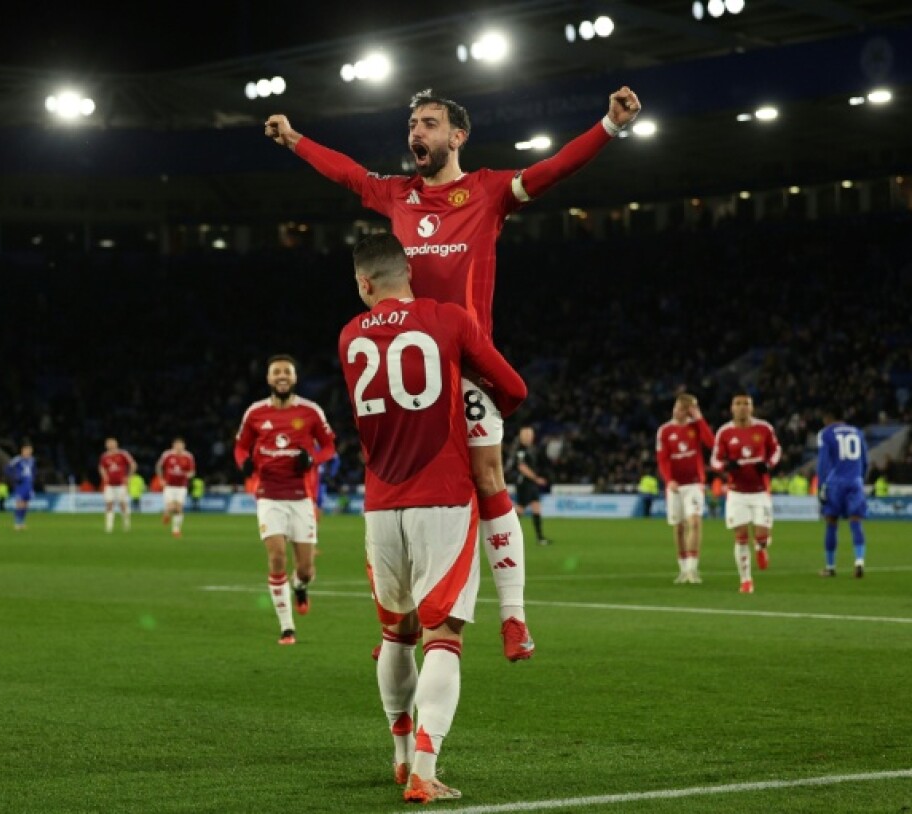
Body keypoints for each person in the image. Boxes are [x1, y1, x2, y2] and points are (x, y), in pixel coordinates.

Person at [266, 84, 640, 658]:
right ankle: (400, 623)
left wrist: (609, 125)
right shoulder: (395, 196)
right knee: (402, 489)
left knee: (488, 479)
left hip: (466, 369)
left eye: (430, 123)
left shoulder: (488, 192)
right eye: (413, 124)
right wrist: (294, 140)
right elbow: (345, 173)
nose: (417, 132)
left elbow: (554, 169)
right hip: (407, 375)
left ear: (457, 136)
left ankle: (513, 618)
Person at [339, 233, 529, 803]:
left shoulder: (349, 335)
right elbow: (514, 387)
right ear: (410, 275)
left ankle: (399, 754)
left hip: (380, 504)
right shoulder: (446, 319)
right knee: (443, 637)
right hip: (442, 500)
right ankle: (425, 769)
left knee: (395, 635)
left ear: (365, 284)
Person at [234, 354, 337, 645]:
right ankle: (287, 627)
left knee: (305, 568)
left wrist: (313, 458)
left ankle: (301, 586)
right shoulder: (255, 413)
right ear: (268, 378)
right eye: (276, 372)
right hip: (268, 496)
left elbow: (330, 445)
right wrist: (243, 462)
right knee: (277, 556)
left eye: (287, 372)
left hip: (300, 498)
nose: (281, 376)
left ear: (294, 378)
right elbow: (240, 447)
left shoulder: (310, 411)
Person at [711, 393, 780, 593]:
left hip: (760, 492)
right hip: (736, 492)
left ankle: (761, 547)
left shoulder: (764, 428)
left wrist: (768, 465)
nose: (742, 407)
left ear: (752, 408)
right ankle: (746, 580)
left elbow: (776, 450)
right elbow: (715, 459)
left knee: (761, 536)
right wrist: (725, 466)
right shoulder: (724, 432)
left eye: (746, 404)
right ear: (732, 408)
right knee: (740, 536)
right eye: (738, 403)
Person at [655, 393, 715, 584]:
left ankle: (692, 568)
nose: (678, 412)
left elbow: (711, 443)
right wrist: (668, 479)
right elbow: (662, 459)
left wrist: (699, 418)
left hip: (695, 483)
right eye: (677, 407)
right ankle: (682, 568)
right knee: (679, 527)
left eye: (684, 409)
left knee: (695, 523)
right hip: (675, 486)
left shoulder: (695, 427)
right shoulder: (664, 431)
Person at [816, 410, 869, 578]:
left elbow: (823, 461)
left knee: (831, 522)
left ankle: (830, 567)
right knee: (856, 522)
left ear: (827, 418)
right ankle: (859, 561)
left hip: (835, 483)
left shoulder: (826, 433)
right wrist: (860, 478)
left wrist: (821, 486)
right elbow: (865, 461)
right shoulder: (857, 432)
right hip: (855, 481)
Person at [509, 426, 551, 546]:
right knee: (520, 510)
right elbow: (522, 467)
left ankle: (540, 538)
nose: (529, 437)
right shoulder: (520, 450)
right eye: (527, 435)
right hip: (524, 483)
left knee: (536, 507)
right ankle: (508, 533)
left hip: (531, 483)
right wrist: (536, 478)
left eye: (530, 435)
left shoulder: (531, 449)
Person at [156, 438, 196, 537]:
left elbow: (192, 471)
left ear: (184, 446)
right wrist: (161, 479)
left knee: (179, 508)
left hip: (182, 486)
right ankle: (166, 514)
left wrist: (189, 475)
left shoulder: (188, 456)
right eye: (177, 446)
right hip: (169, 486)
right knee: (171, 507)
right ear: (173, 446)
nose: (179, 448)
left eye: (180, 446)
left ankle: (176, 530)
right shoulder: (167, 455)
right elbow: (158, 466)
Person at [98, 437, 138, 533]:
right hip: (109, 485)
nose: (110, 445)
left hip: (121, 484)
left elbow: (133, 464)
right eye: (109, 444)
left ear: (116, 444)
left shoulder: (123, 454)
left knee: (122, 504)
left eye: (112, 443)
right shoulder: (105, 456)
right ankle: (109, 526)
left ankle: (126, 524)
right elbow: (101, 467)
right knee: (109, 504)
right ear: (106, 445)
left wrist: (129, 477)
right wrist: (104, 476)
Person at [6, 442, 36, 530]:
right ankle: (17, 523)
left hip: (28, 484)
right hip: (20, 484)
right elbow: (7, 469)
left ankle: (22, 522)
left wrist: (33, 478)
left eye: (30, 451)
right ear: (23, 451)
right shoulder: (17, 459)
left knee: (26, 504)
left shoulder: (32, 460)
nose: (29, 452)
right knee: (20, 503)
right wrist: (15, 477)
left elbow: (33, 470)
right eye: (27, 450)